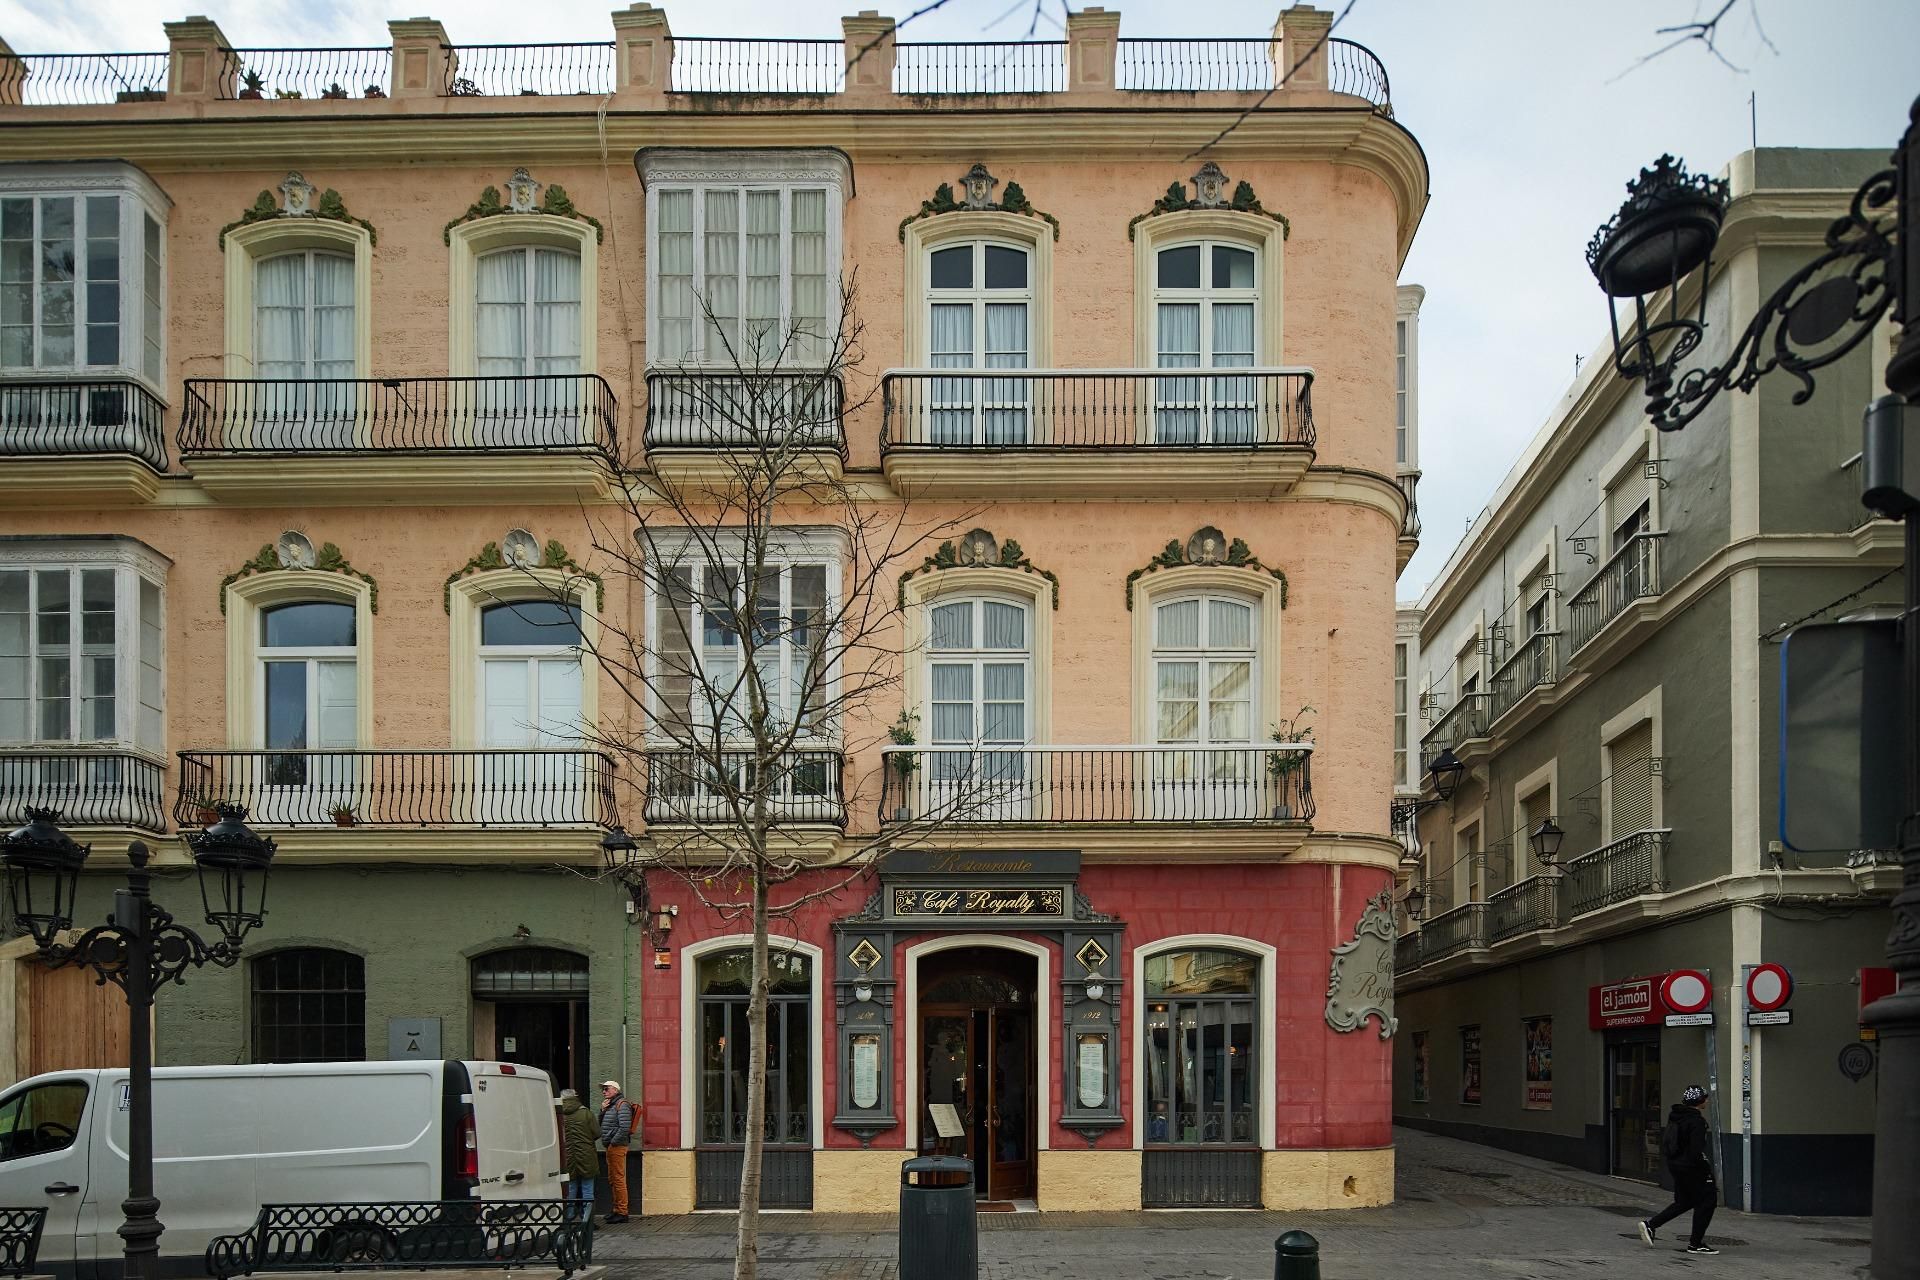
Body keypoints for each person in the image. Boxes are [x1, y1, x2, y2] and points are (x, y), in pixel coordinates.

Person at [1640, 1085, 1719, 1255]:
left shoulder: (1676, 1116)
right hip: (1692, 1168)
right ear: (1700, 1101)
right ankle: (1696, 1243)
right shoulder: (1696, 1121)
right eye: (1705, 1097)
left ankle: (1651, 1225)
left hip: (1676, 1165)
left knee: (1684, 1201)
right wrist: (1705, 1169)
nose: (1707, 1100)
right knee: (1707, 1200)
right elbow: (1695, 1150)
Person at [598, 1079, 636, 1224]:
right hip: (610, 1145)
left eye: (606, 1089)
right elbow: (601, 1123)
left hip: (617, 1146)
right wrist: (602, 1110)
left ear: (615, 1090)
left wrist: (613, 1142)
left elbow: (624, 1128)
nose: (603, 1091)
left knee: (618, 1179)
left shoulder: (622, 1104)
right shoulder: (610, 1105)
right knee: (612, 1178)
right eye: (603, 1089)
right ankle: (616, 1209)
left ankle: (622, 1211)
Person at [558, 1089, 598, 1224]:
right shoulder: (585, 1112)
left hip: (567, 1156)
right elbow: (597, 1132)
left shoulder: (559, 1114)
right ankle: (587, 1221)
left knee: (571, 1188)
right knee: (587, 1188)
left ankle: (568, 1219)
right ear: (576, 1097)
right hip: (586, 1155)